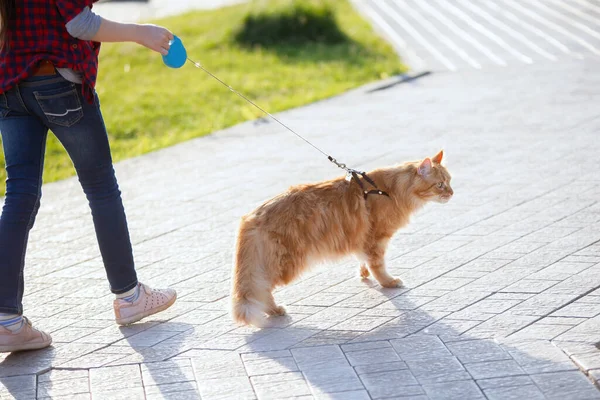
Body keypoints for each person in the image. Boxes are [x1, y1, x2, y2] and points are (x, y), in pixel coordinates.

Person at [0, 0, 178, 353]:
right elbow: (78, 23)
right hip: (58, 83)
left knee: (18, 197)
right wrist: (141, 33)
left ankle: (6, 321)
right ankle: (129, 296)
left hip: (10, 85)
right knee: (101, 189)